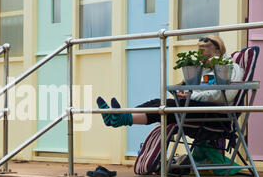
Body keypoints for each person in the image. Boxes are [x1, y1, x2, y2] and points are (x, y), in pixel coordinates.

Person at [97, 35, 244, 130]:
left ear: (217, 50)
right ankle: (119, 116)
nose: (199, 54)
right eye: (198, 49)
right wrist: (186, 92)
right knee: (158, 102)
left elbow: (222, 96)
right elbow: (204, 90)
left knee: (168, 107)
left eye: (203, 50)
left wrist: (189, 96)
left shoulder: (231, 68)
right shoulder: (205, 70)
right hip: (201, 109)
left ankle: (121, 119)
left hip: (218, 116)